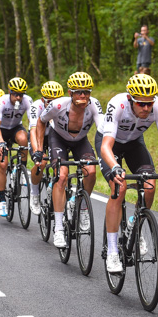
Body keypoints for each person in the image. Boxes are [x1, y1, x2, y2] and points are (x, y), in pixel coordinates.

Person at [98, 74, 158, 273]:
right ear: (130, 99)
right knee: (118, 189)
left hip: (134, 143)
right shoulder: (117, 105)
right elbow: (105, 147)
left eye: (149, 104)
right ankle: (112, 251)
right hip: (110, 143)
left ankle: (133, 224)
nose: (147, 109)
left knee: (150, 184)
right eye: (141, 104)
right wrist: (115, 167)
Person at [34, 72, 104, 249]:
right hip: (58, 139)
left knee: (91, 171)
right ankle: (58, 228)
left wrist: (106, 153)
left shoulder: (94, 105)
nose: (83, 96)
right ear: (70, 93)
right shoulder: (58, 105)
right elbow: (41, 122)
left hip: (81, 140)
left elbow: (103, 128)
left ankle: (82, 208)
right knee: (62, 176)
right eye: (79, 92)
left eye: (86, 92)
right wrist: (39, 150)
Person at [0, 77, 33, 217]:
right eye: (15, 94)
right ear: (10, 92)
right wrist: (1, 142)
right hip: (1, 130)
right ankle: (2, 200)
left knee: (23, 139)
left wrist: (33, 141)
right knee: (2, 164)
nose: (18, 97)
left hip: (16, 128)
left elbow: (32, 124)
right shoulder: (2, 101)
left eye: (21, 94)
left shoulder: (27, 101)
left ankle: (22, 170)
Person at [29, 80, 64, 215]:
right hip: (38, 136)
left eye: (56, 100)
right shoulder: (36, 106)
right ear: (43, 99)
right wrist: (38, 150)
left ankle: (52, 185)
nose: (53, 104)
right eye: (49, 101)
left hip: (54, 137)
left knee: (60, 165)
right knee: (42, 162)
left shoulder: (63, 106)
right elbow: (33, 130)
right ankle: (35, 193)